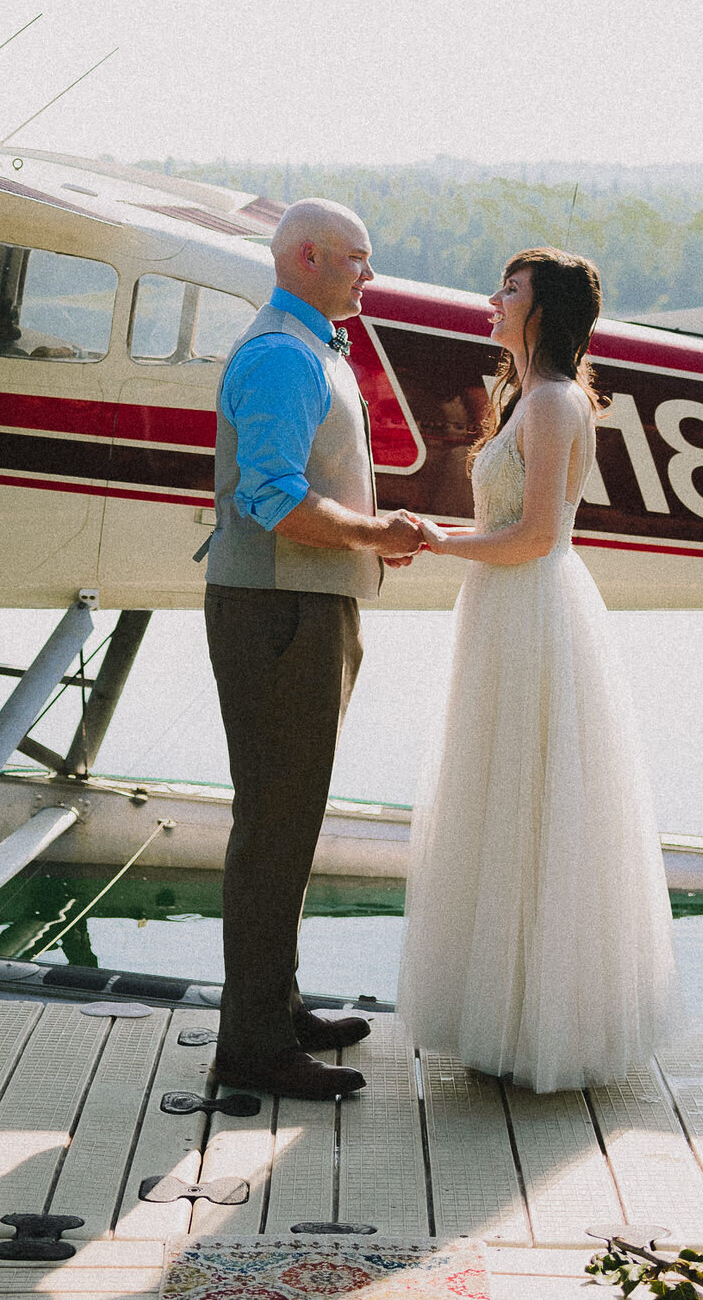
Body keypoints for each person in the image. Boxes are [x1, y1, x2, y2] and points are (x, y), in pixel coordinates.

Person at [395, 245, 683, 1089]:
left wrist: (436, 540)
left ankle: (540, 1025)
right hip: (505, 608)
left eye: (509, 290)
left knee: (533, 803)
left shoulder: (554, 403)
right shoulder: (528, 399)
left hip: (531, 608)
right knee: (501, 801)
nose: (491, 298)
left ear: (543, 312)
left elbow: (535, 535)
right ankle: (507, 1016)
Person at [204, 198, 426, 1099]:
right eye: (358, 260)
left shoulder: (310, 349)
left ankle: (276, 1007)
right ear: (306, 256)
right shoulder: (281, 357)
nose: (369, 275)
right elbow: (273, 501)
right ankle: (253, 1044)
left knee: (289, 818)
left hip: (302, 607)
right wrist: (378, 534)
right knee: (272, 824)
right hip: (279, 612)